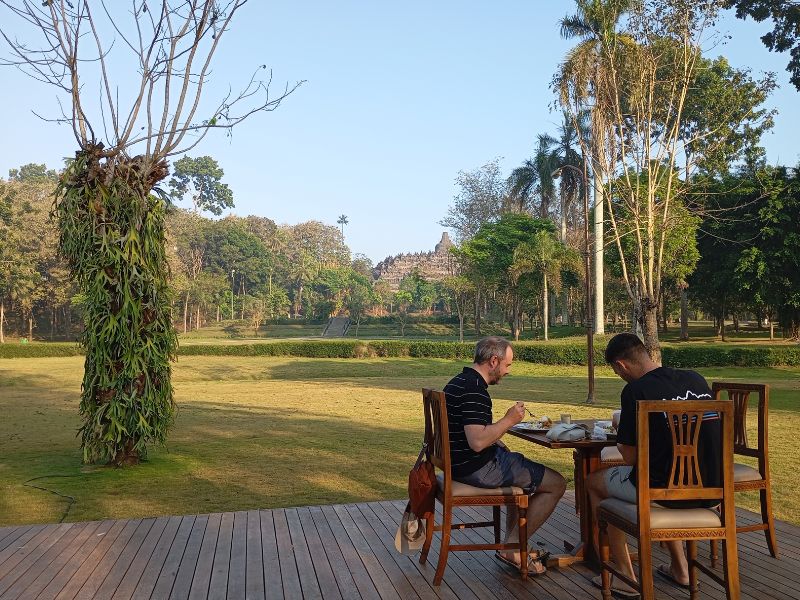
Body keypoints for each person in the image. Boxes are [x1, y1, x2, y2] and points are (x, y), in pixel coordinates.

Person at [587, 333, 721, 598]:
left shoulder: (636, 391)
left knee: (594, 484)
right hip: (711, 490)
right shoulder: (695, 378)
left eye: (617, 372)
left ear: (621, 365)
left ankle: (624, 575)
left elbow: (629, 457)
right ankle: (681, 569)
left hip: (664, 493)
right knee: (659, 476)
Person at [443, 336, 566, 575]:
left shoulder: (458, 382)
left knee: (520, 470)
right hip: (477, 468)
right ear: (494, 361)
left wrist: (495, 438)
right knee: (556, 484)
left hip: (460, 465)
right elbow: (477, 442)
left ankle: (515, 546)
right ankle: (512, 547)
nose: (508, 371)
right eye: (507, 365)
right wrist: (509, 420)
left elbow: (465, 430)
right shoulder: (475, 390)